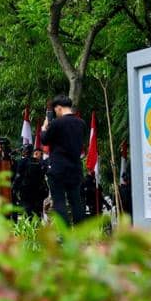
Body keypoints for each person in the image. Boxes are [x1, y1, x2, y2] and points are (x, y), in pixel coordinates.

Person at [40, 95, 88, 225]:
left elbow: (44, 140)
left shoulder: (56, 123)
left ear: (59, 108)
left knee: (59, 202)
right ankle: (80, 234)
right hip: (75, 168)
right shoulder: (81, 123)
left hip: (58, 169)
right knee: (76, 202)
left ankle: (65, 235)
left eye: (55, 110)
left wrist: (44, 128)